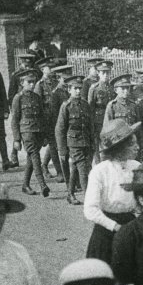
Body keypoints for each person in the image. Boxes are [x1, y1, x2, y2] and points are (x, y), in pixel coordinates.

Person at [84, 118, 141, 261]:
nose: (137, 147)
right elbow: (90, 210)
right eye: (132, 144)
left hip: (130, 225)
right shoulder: (100, 171)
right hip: (106, 231)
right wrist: (115, 227)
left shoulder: (136, 167)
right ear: (119, 147)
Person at [11, 68, 50, 197]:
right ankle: (42, 184)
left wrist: (44, 136)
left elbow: (42, 117)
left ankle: (25, 185)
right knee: (35, 157)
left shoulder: (37, 98)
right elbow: (15, 120)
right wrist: (16, 139)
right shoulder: (18, 98)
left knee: (31, 159)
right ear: (22, 82)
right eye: (29, 82)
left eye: (34, 81)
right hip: (26, 132)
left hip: (38, 131)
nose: (32, 84)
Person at [56, 72, 93, 205]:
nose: (78, 91)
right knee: (83, 169)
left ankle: (70, 194)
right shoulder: (66, 106)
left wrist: (92, 143)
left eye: (79, 88)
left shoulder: (85, 105)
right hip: (74, 143)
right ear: (69, 90)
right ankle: (90, 199)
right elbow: (60, 129)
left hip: (85, 142)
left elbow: (90, 126)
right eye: (75, 89)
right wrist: (62, 151)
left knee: (76, 169)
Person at [87, 60, 116, 166]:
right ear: (98, 73)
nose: (105, 75)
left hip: (110, 119)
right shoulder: (94, 88)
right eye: (103, 73)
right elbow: (90, 107)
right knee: (97, 145)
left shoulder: (112, 88)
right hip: (98, 119)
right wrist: (91, 123)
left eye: (107, 73)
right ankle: (99, 165)